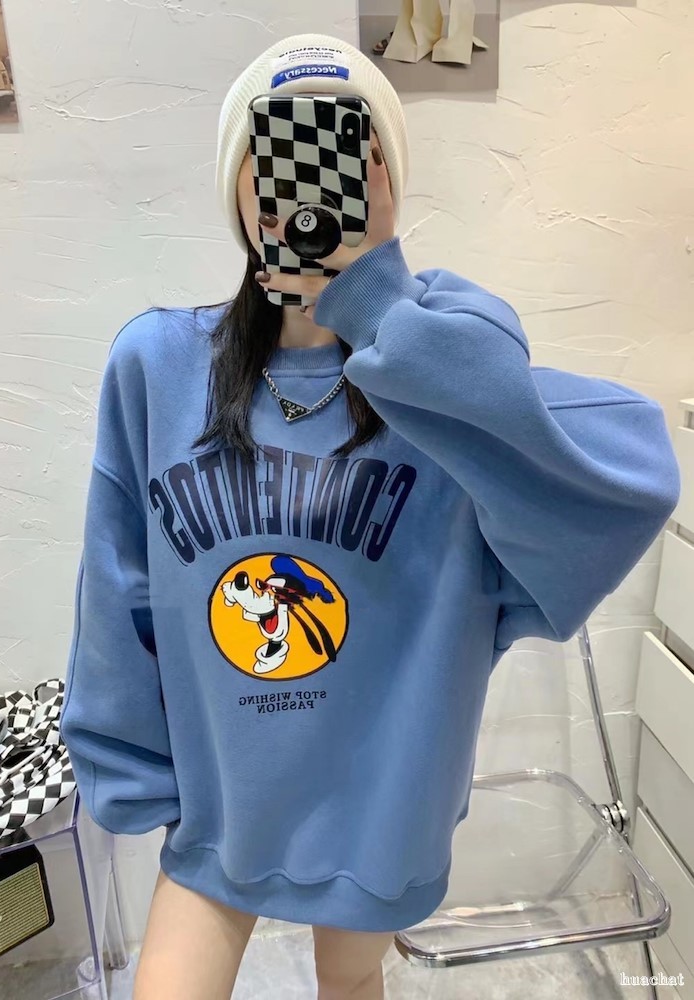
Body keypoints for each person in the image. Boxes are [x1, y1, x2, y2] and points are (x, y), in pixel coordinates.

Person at [58, 32, 681, 1000]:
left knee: (351, 985)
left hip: (380, 807)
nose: (308, 177)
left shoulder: (447, 369)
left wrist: (381, 307)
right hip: (224, 806)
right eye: (275, 145)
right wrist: (127, 764)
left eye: (349, 145)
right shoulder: (159, 366)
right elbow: (119, 585)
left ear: (386, 178)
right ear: (235, 182)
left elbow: (631, 479)